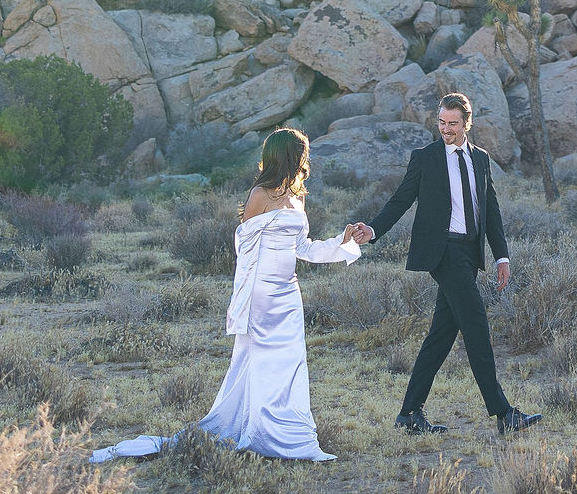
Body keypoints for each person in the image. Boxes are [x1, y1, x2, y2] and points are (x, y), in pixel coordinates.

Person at [90, 128, 371, 465]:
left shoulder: (298, 196)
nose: (305, 160)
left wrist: (342, 240)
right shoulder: (260, 194)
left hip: (289, 292)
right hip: (261, 294)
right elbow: (246, 249)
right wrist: (243, 302)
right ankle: (259, 431)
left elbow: (304, 249)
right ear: (287, 155)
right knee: (261, 364)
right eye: (301, 153)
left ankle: (289, 435)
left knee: (292, 364)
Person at [362, 92, 541, 437]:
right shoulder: (425, 158)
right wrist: (373, 230)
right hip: (442, 253)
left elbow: (491, 211)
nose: (445, 129)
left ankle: (409, 414)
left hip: (469, 253)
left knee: (441, 336)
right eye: (441, 123)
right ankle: (504, 414)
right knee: (476, 326)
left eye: (453, 124)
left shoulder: (481, 159)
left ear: (467, 124)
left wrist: (501, 255)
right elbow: (401, 199)